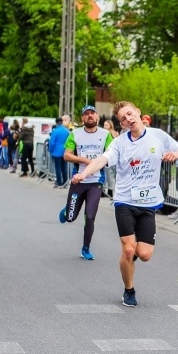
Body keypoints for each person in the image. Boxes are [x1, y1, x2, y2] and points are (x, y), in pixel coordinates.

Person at [70, 101, 178, 306]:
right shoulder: (119, 143)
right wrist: (83, 174)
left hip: (148, 203)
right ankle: (129, 290)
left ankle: (128, 261)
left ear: (138, 112)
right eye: (123, 119)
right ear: (122, 124)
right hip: (124, 201)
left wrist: (176, 154)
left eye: (129, 114)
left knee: (144, 254)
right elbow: (102, 160)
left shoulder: (158, 136)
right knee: (128, 249)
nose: (128, 119)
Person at [59, 106, 113, 260]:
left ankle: (85, 248)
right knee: (70, 217)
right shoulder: (74, 134)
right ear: (82, 118)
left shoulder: (106, 134)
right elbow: (67, 156)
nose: (90, 116)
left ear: (97, 117)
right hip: (78, 180)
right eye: (86, 114)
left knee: (90, 216)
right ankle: (66, 211)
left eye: (92, 113)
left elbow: (111, 154)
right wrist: (84, 160)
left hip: (96, 181)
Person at [49, 117, 70, 188]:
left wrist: (50, 150)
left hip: (56, 152)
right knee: (64, 167)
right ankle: (65, 182)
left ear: (56, 122)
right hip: (64, 152)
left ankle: (59, 182)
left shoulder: (55, 131)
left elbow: (52, 143)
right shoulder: (66, 131)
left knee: (58, 167)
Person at [102, 119, 119, 198]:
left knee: (110, 174)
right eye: (104, 125)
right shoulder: (114, 133)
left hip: (110, 155)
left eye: (106, 125)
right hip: (110, 155)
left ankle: (111, 191)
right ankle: (109, 190)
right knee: (110, 174)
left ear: (110, 125)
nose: (105, 127)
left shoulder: (110, 133)